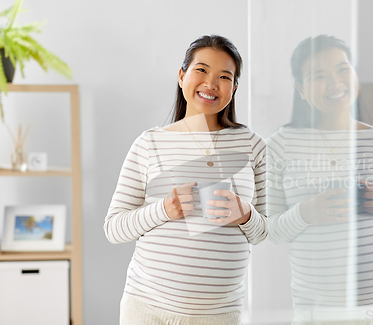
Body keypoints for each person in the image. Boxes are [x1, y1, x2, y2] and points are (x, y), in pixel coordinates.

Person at [266, 35, 373, 323]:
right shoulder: (281, 144)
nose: (335, 83)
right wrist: (307, 212)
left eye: (343, 69)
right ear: (300, 89)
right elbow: (271, 231)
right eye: (319, 76)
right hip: (319, 312)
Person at [104, 35, 267, 325]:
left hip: (219, 315)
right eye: (201, 70)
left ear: (235, 88)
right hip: (147, 309)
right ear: (182, 76)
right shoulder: (150, 143)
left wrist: (245, 215)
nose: (211, 84)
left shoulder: (252, 145)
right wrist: (164, 209)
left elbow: (264, 230)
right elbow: (114, 228)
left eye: (224, 76)